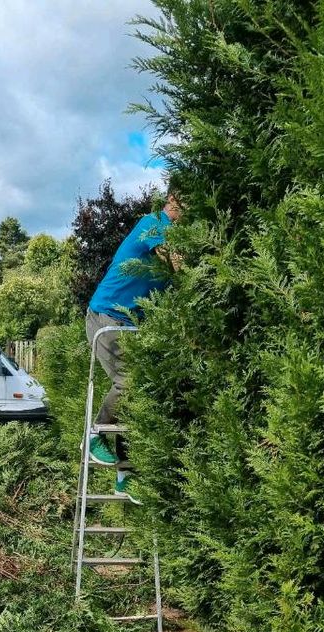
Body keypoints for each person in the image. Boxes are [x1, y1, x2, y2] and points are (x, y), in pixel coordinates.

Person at [85, 186, 183, 500]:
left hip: (130, 324)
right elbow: (174, 259)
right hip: (106, 316)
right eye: (188, 204)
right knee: (129, 381)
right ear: (173, 199)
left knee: (137, 397)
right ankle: (95, 433)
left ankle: (125, 475)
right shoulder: (152, 224)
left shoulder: (171, 234)